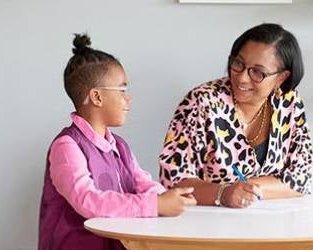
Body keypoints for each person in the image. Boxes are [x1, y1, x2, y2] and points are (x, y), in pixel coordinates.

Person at [39, 33, 197, 250]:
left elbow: (141, 182)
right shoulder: (67, 146)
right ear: (97, 97)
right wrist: (155, 204)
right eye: (122, 90)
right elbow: (88, 200)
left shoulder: (119, 146)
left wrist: (168, 197)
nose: (128, 98)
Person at [159, 23, 313, 208]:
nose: (242, 78)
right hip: (205, 222)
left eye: (258, 72)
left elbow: (301, 179)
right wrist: (224, 194)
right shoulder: (201, 101)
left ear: (281, 77)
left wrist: (248, 190)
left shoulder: (289, 104)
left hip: (272, 221)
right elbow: (173, 181)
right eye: (238, 63)